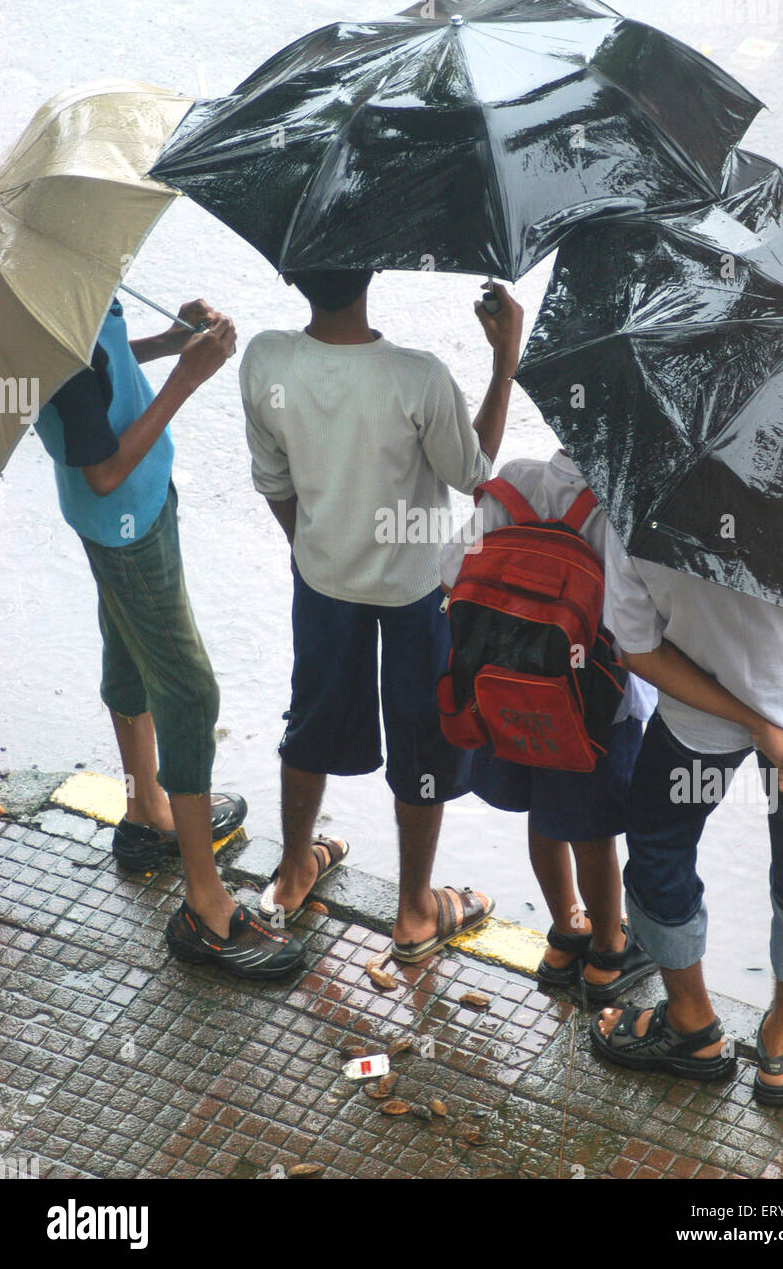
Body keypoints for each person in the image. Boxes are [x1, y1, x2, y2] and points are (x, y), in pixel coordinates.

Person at [239, 269, 522, 960]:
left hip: (323, 581)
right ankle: (415, 910)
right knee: (423, 740)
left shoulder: (265, 360)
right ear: (372, 269)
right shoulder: (417, 377)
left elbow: (275, 482)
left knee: (308, 721)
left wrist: (314, 550)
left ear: (287, 271)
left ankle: (297, 867)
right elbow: (476, 470)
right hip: (414, 589)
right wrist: (504, 359)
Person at [35, 295, 303, 978]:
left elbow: (103, 373)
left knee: (128, 648)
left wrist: (165, 341)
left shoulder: (54, 298)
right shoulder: (53, 321)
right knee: (189, 692)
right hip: (123, 516)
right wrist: (190, 377)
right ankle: (205, 908)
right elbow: (102, 469)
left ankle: (147, 809)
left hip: (123, 513)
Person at [587, 459, 783, 1103]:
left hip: (695, 727)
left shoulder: (635, 497)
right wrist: (769, 724)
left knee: (661, 846)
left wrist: (747, 721)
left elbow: (639, 649)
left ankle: (692, 1026)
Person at [440, 448, 658, 1002]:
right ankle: (609, 950)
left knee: (543, 813)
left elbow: (449, 572)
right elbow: (637, 621)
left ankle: (566, 932)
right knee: (592, 829)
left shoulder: (515, 481)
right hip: (590, 705)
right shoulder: (622, 507)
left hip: (505, 692)